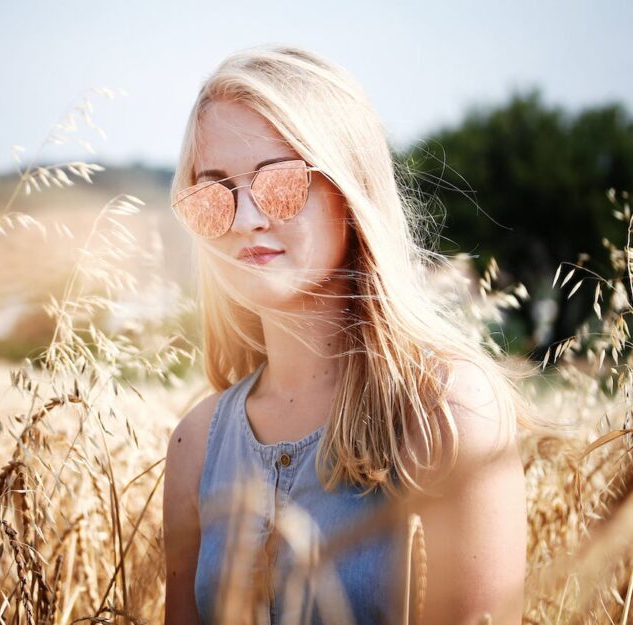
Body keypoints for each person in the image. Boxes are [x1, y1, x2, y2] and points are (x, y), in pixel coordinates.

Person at [162, 44, 530, 625]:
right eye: (214, 195)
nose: (247, 219)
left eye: (279, 182)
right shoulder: (195, 445)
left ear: (349, 190)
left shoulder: (446, 413)